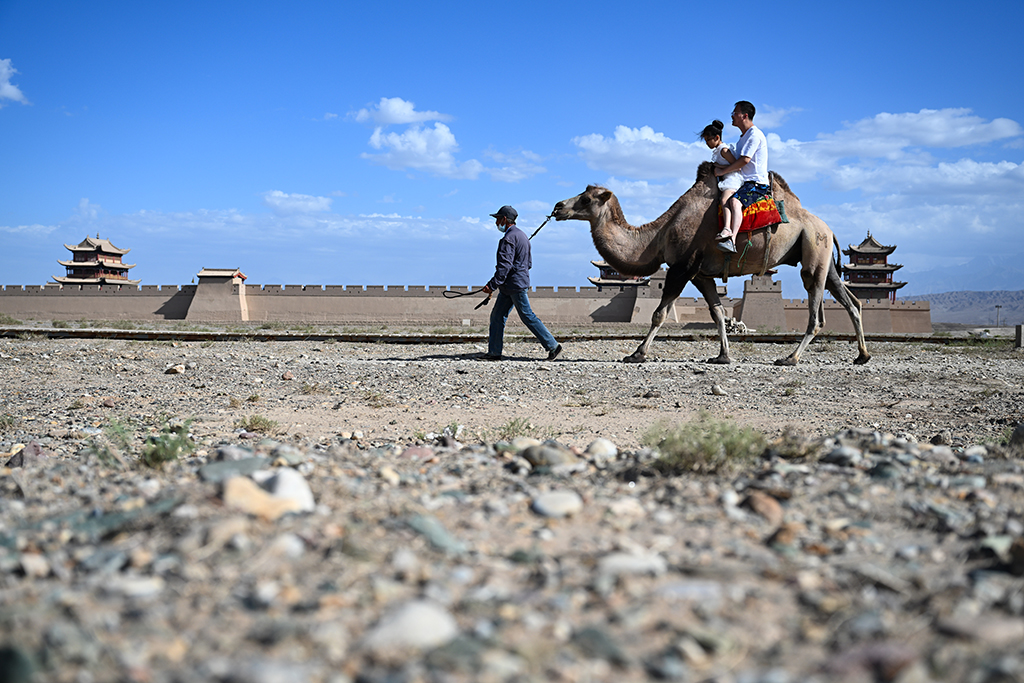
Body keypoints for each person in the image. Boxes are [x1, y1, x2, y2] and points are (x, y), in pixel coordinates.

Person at [480, 205, 562, 361]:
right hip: (512, 285)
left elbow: (505, 266)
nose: (497, 222)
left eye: (498, 219)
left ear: (504, 219)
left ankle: (553, 346)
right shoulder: (522, 236)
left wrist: (492, 285)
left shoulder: (508, 239)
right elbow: (528, 263)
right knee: (497, 316)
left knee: (527, 316)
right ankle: (494, 353)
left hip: (514, 286)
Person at [713, 101, 769, 253]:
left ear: (744, 116)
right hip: (743, 181)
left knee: (735, 202)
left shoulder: (754, 135)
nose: (732, 115)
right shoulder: (742, 138)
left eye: (735, 113)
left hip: (755, 183)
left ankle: (732, 240)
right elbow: (736, 162)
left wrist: (722, 172)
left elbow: (744, 161)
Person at [699, 119, 742, 241]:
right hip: (726, 177)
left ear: (717, 137)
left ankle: (727, 228)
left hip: (732, 178)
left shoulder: (724, 150)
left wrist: (719, 167)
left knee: (724, 200)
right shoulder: (719, 151)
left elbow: (737, 166)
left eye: (708, 139)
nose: (707, 143)